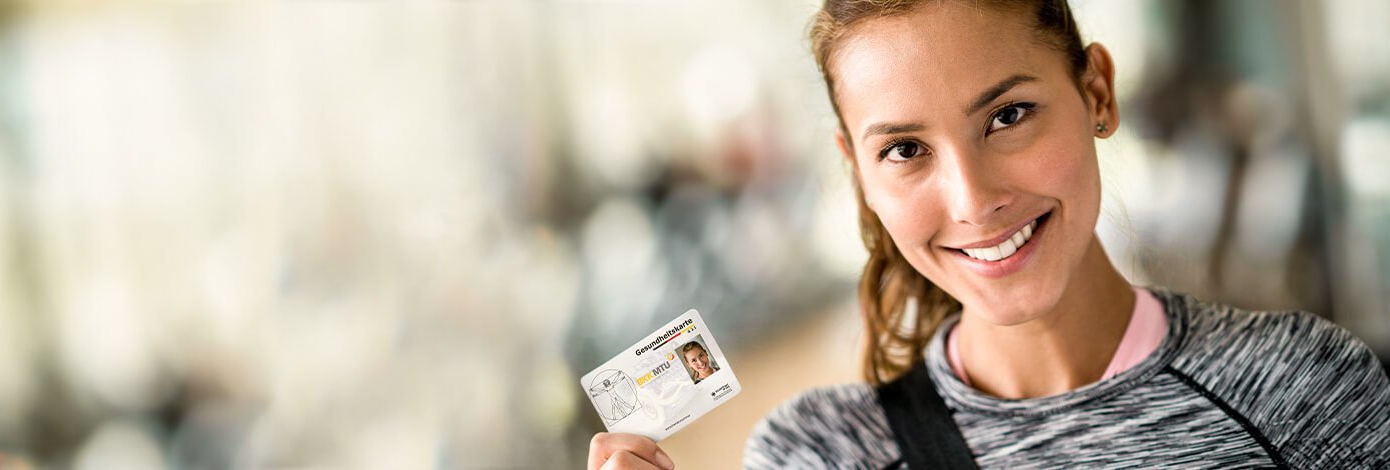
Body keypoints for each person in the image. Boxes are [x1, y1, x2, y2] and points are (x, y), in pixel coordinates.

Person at [586, 0, 1390, 468]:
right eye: (904, 150)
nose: (972, 200)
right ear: (858, 173)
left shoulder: (1306, 390)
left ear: (1096, 93)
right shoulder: (818, 455)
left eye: (1008, 116)